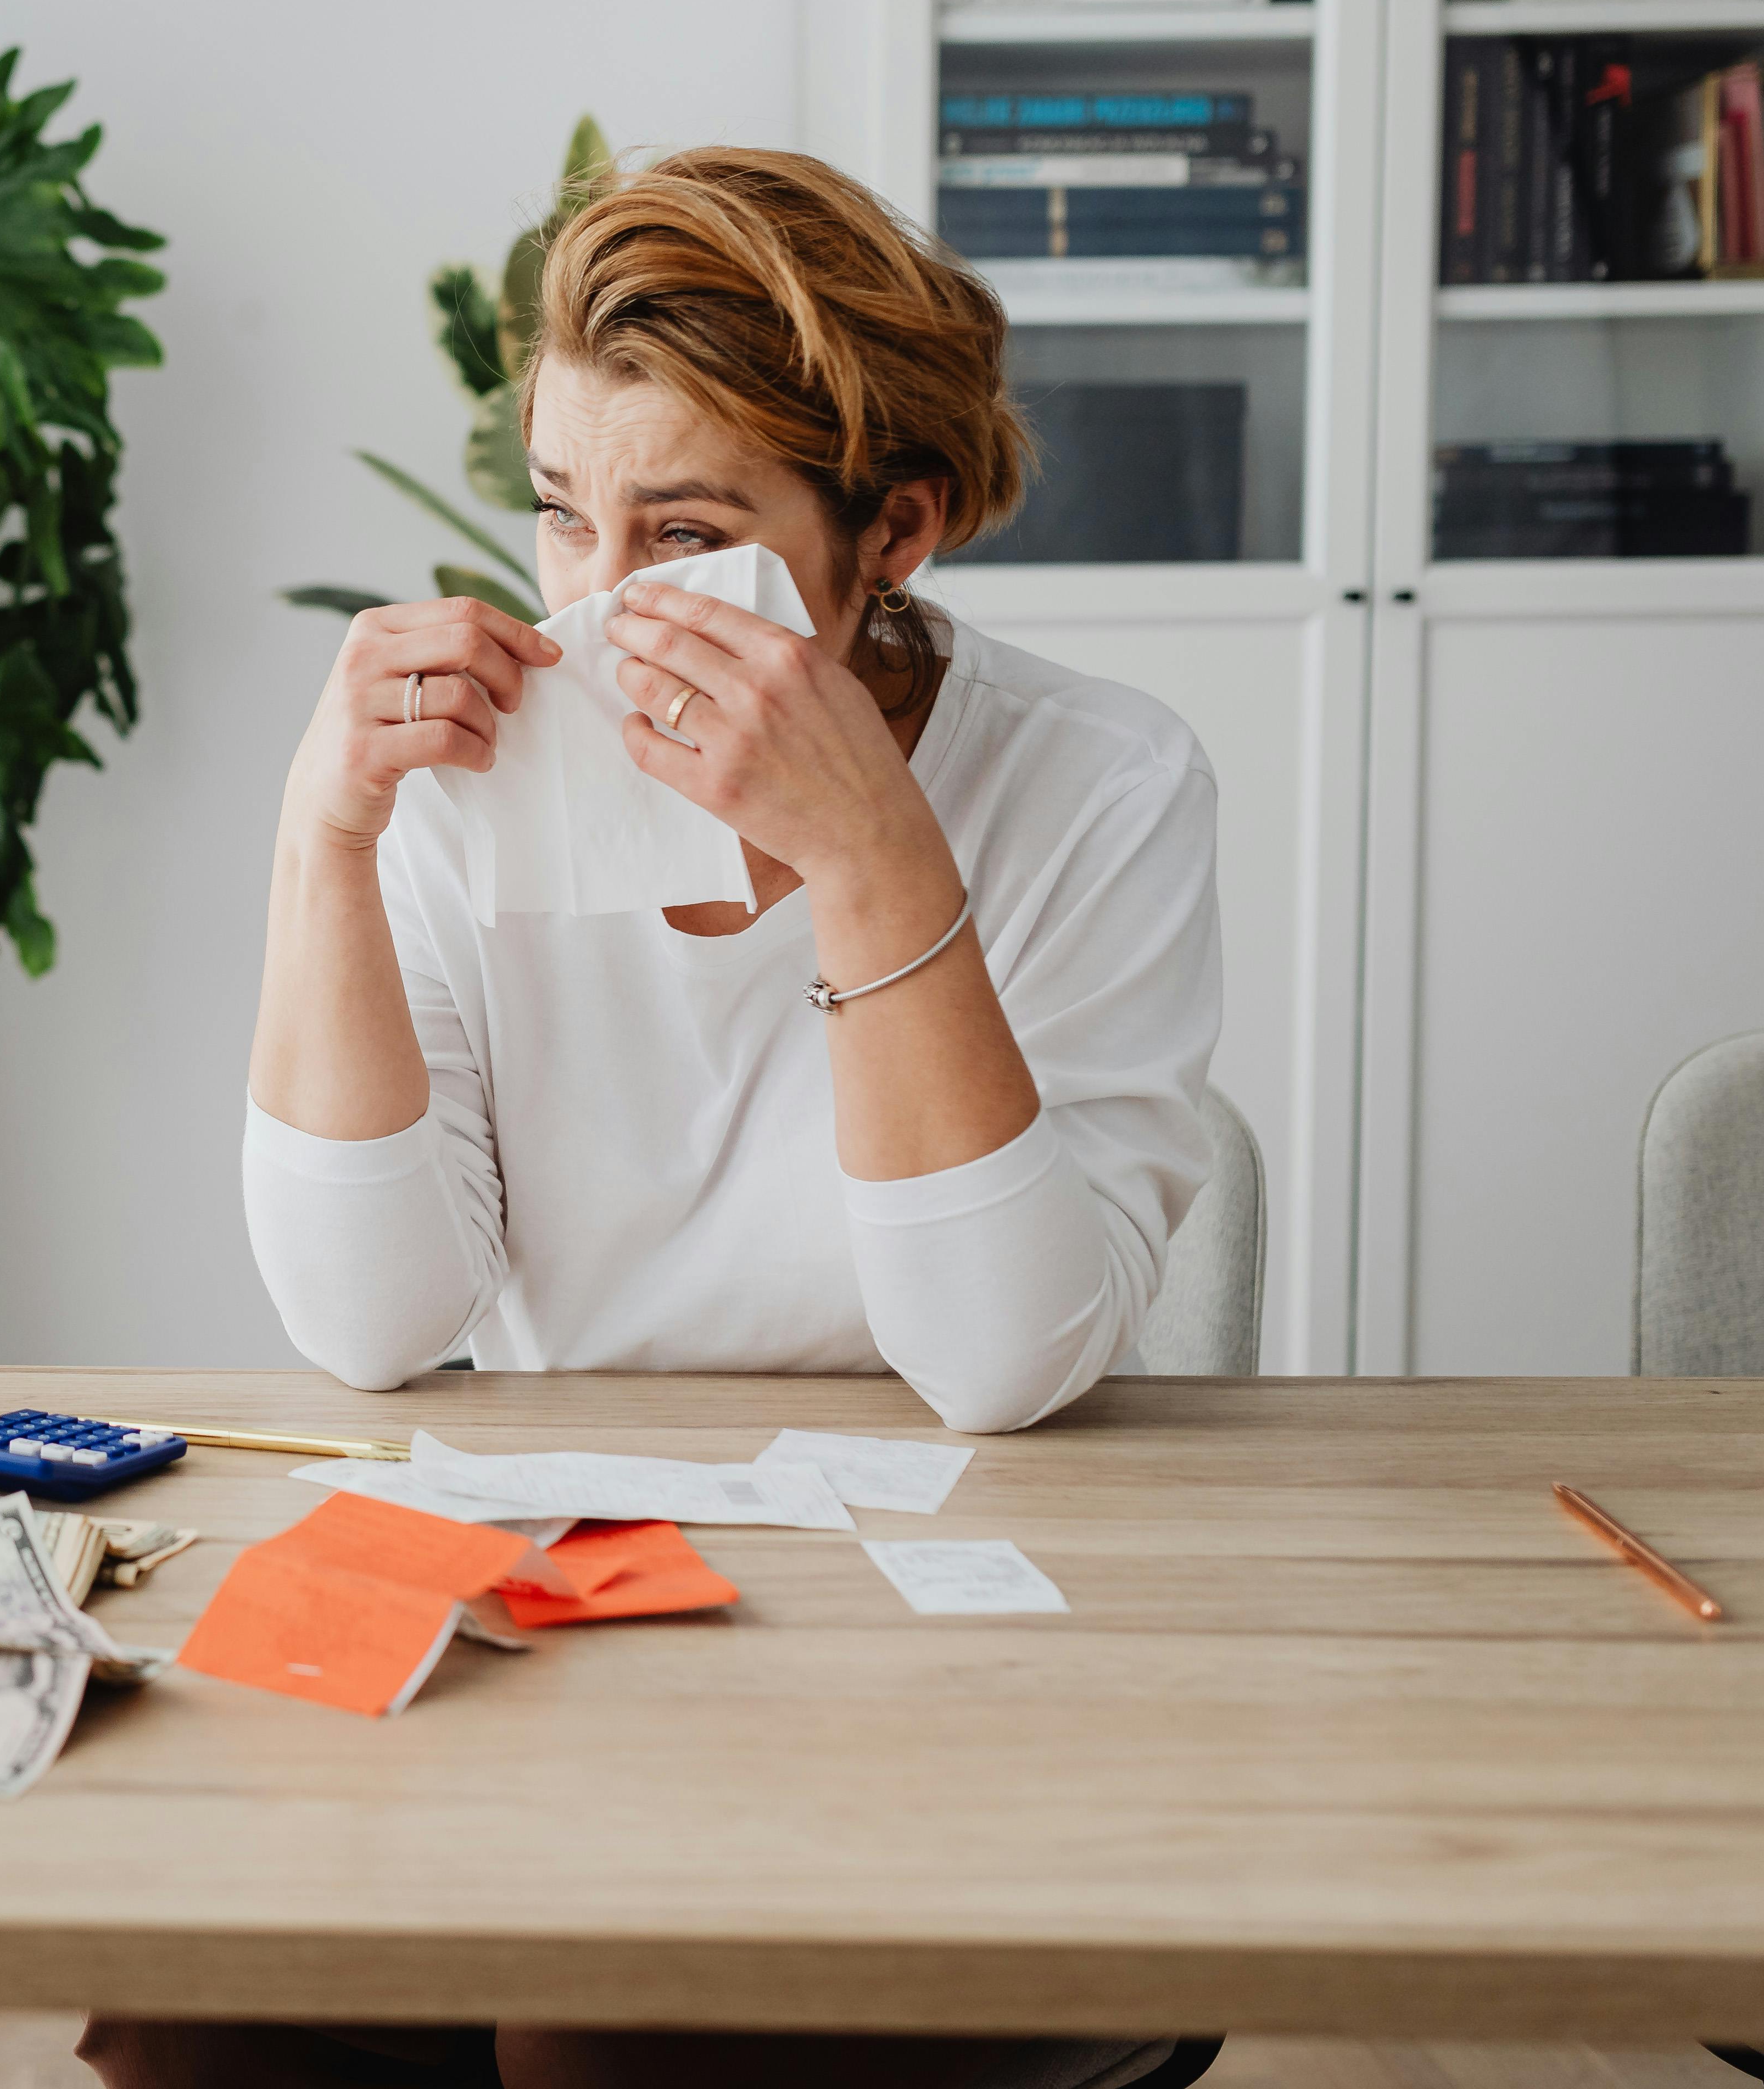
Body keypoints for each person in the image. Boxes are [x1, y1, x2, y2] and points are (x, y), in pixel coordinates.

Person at [77, 149, 1221, 2089]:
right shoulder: (472, 788)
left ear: (896, 532)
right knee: (206, 1999)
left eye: (682, 536)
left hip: (949, 1652)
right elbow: (370, 1325)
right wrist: (326, 838)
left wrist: (869, 855)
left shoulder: (1101, 787)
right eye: (558, 518)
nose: (600, 607)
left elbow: (1002, 1360)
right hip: (562, 1597)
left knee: (609, 2037)